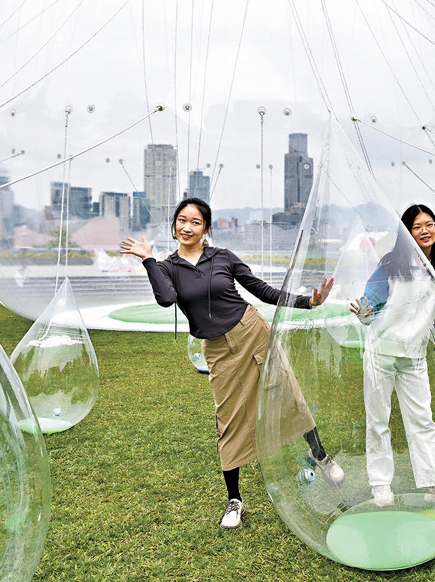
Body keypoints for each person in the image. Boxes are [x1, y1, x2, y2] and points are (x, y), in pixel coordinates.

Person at [120, 197, 343, 530]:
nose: (187, 227)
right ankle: (234, 500)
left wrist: (308, 302)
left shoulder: (222, 257)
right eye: (182, 220)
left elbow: (261, 290)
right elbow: (166, 299)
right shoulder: (167, 267)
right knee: (227, 420)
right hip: (218, 351)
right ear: (174, 226)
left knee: (288, 393)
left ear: (206, 229)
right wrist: (149, 259)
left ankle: (320, 455)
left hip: (252, 332)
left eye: (195, 222)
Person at [349, 204, 435, 510]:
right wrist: (365, 312)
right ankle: (380, 485)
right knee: (378, 421)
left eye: (430, 224)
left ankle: (434, 484)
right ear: (407, 233)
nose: (425, 230)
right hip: (382, 353)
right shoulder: (391, 264)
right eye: (417, 226)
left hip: (414, 356)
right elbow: (370, 303)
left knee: (423, 422)